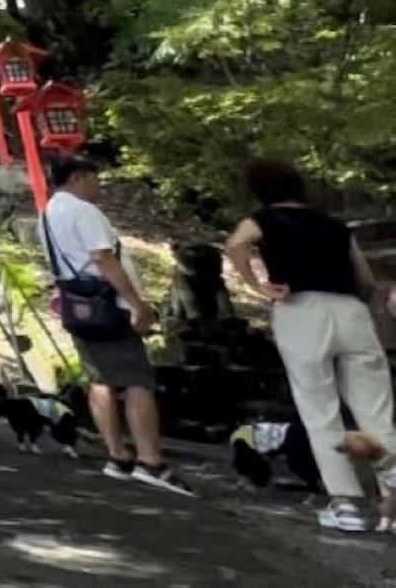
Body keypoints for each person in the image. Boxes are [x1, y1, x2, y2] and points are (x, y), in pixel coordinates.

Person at [224, 157, 396, 533]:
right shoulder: (335, 226)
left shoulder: (263, 220)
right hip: (351, 312)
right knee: (377, 410)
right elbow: (365, 279)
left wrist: (258, 286)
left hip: (299, 310)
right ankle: (392, 492)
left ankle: (347, 503)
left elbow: (236, 246)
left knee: (321, 411)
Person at [43, 157, 192, 496]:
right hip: (109, 305)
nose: (99, 186)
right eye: (95, 179)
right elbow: (103, 257)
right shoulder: (85, 212)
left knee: (99, 378)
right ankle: (150, 460)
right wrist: (137, 303)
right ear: (79, 178)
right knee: (137, 380)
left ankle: (117, 455)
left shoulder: (48, 213)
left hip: (78, 305)